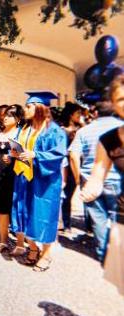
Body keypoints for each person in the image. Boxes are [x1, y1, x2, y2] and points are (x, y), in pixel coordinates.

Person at [10, 91, 67, 271]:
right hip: (24, 178)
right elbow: (20, 149)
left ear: (40, 108)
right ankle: (33, 248)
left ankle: (46, 253)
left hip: (45, 181)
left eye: (29, 106)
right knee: (24, 214)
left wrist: (36, 154)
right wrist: (15, 154)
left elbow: (58, 154)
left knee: (43, 216)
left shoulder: (54, 130)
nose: (25, 109)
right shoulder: (24, 128)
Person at [81, 74, 124, 294]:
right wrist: (89, 188)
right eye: (121, 99)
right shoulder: (108, 140)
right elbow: (98, 174)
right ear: (114, 104)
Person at [69, 97, 122, 260]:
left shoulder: (84, 131)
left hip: (89, 178)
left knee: (98, 219)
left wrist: (79, 180)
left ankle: (103, 253)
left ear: (96, 112)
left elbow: (73, 155)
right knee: (117, 219)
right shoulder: (119, 130)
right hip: (116, 179)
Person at [0, 105, 24, 253]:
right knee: (2, 209)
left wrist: (14, 157)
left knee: (16, 209)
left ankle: (20, 244)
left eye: (11, 115)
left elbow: (23, 154)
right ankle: (3, 241)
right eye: (5, 115)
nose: (5, 117)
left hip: (14, 176)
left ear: (18, 119)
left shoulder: (20, 133)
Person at [59, 102, 82, 233]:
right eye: (77, 113)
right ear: (70, 115)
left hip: (78, 164)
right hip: (67, 166)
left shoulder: (81, 129)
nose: (80, 116)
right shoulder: (62, 131)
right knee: (67, 195)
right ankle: (65, 223)